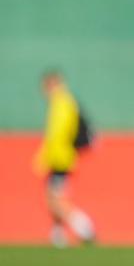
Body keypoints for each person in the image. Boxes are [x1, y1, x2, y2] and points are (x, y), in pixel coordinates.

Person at [33, 69, 97, 248]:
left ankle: (84, 227)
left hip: (60, 158)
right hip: (62, 157)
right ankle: (58, 235)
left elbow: (57, 134)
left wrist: (45, 157)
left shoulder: (61, 102)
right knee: (53, 197)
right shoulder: (64, 101)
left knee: (56, 200)